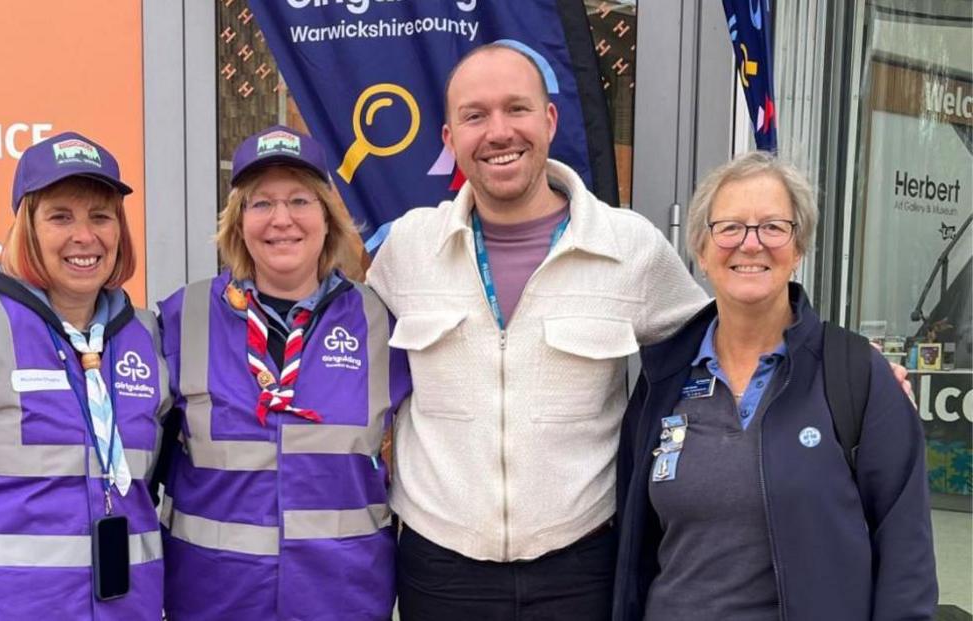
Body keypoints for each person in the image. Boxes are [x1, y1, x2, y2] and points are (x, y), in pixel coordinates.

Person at [366, 43, 710, 618]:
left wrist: (843, 377)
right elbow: (332, 346)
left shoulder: (628, 247)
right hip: (439, 565)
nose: (498, 132)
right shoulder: (407, 248)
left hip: (583, 562)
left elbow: (723, 355)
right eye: (474, 116)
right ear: (450, 139)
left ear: (549, 121)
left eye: (517, 109)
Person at [612, 152, 937, 620]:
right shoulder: (664, 379)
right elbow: (634, 547)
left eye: (772, 227)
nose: (750, 244)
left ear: (798, 248)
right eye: (729, 228)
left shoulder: (854, 375)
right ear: (701, 252)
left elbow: (906, 553)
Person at [0, 131, 170, 619]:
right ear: (28, 226)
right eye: (60, 216)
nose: (85, 236)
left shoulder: (148, 337)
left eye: (101, 217)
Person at [156, 125, 410, 620]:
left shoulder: (381, 322)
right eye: (261, 204)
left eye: (299, 200)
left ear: (327, 217)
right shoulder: (179, 319)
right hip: (212, 600)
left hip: (342, 599)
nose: (281, 220)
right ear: (238, 221)